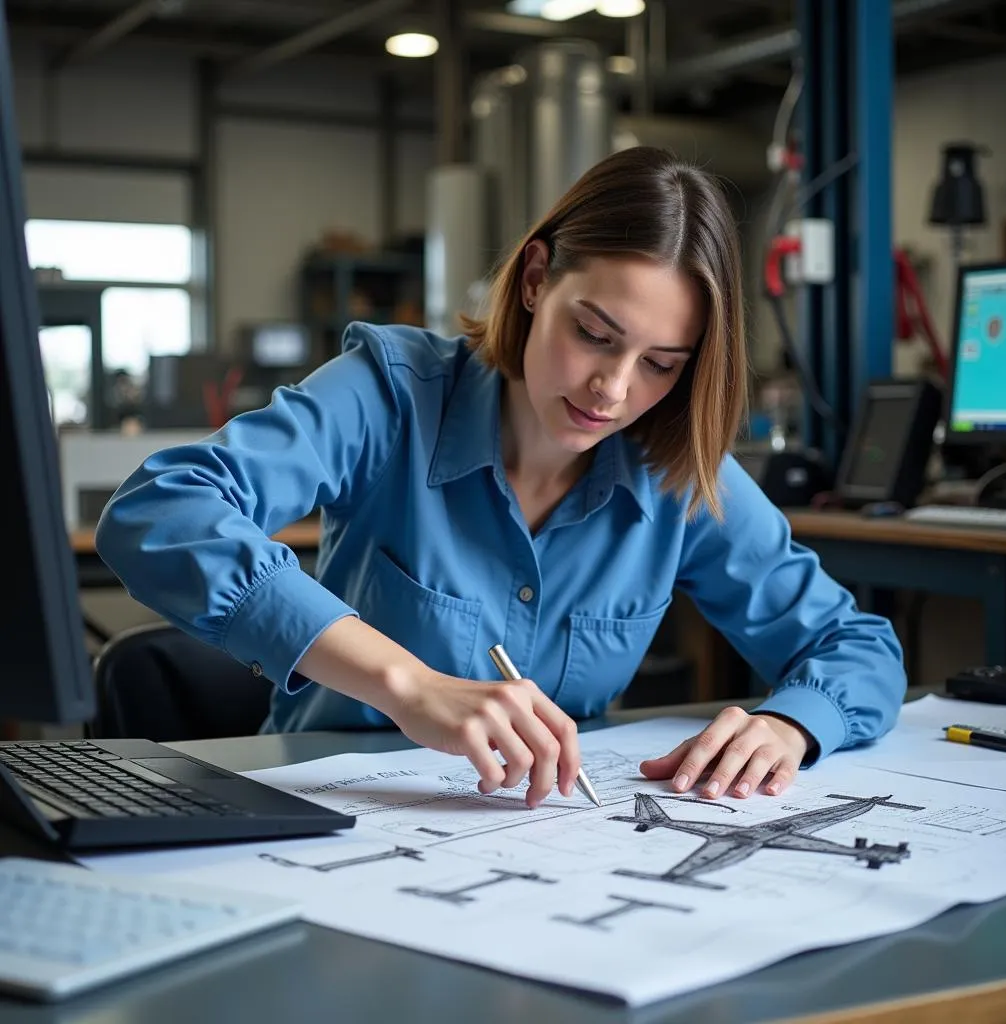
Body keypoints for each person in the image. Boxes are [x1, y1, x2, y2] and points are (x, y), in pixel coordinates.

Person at [96, 146, 906, 810]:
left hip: (550, 852)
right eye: (594, 334)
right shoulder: (389, 394)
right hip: (333, 822)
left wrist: (793, 727)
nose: (613, 390)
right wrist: (408, 684)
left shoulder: (675, 469)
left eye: (661, 364)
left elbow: (857, 646)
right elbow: (162, 511)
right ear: (533, 280)